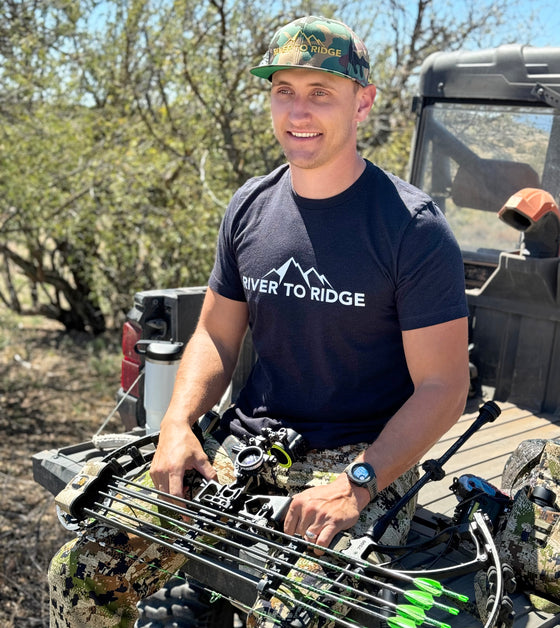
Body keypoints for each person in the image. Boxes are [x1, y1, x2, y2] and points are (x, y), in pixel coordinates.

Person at [48, 15, 470, 628]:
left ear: (364, 102)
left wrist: (358, 483)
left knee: (286, 614)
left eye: (321, 92)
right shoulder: (251, 204)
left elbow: (443, 387)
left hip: (359, 461)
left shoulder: (414, 230)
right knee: (80, 577)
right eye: (283, 91)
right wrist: (176, 424)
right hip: (247, 446)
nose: (299, 110)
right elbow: (217, 336)